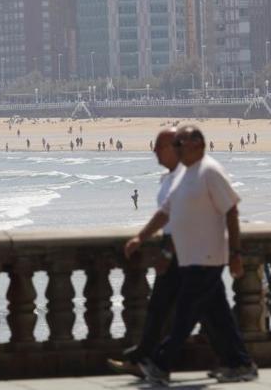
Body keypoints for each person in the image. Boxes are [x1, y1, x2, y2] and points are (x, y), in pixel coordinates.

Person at [124, 126, 257, 384]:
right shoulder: (186, 174)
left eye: (179, 143)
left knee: (184, 314)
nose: (175, 148)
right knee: (219, 317)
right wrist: (141, 237)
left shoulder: (210, 171)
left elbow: (231, 211)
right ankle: (240, 363)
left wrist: (235, 253)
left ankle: (160, 364)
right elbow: (166, 211)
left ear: (197, 144)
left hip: (207, 257)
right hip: (189, 257)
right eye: (174, 144)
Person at [108, 128, 190, 377]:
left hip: (189, 252)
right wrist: (141, 237)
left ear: (174, 148)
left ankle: (151, 359)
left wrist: (166, 254)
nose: (154, 150)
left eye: (158, 146)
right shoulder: (170, 178)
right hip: (178, 248)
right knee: (161, 307)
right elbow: (165, 214)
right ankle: (145, 358)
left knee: (194, 313)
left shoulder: (185, 178)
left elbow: (181, 219)